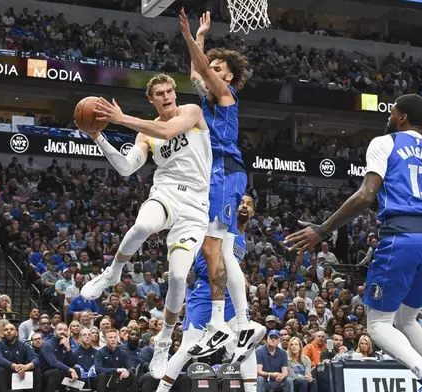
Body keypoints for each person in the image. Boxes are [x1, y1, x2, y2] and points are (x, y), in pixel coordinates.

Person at [285, 93, 422, 392]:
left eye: (392, 112)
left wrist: (323, 228)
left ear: (402, 117)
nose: (389, 117)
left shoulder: (385, 143)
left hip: (402, 236)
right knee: (408, 318)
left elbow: (366, 195)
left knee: (378, 324)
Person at [81, 73, 212, 378]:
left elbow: (168, 131)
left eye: (170, 91)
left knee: (179, 276)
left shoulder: (191, 112)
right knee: (143, 225)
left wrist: (121, 118)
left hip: (195, 207)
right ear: (151, 99)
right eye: (160, 94)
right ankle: (112, 272)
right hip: (166, 192)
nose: (167, 97)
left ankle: (164, 341)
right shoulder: (146, 135)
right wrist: (98, 136)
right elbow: (127, 167)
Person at [179, 10, 258, 358]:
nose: (213, 69)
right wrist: (199, 37)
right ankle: (242, 323)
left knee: (212, 248)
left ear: (228, 75)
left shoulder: (225, 94)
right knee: (223, 250)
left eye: (219, 67)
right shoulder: (207, 95)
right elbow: (196, 72)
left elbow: (202, 70)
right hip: (220, 172)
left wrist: (193, 40)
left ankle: (219, 324)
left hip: (226, 170)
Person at [156, 194, 265, 392]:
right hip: (204, 289)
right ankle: (161, 390)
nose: (244, 206)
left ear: (253, 212)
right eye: (241, 202)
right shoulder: (222, 223)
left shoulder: (242, 238)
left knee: (246, 341)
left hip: (228, 293)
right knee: (188, 348)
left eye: (249, 204)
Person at [0, 323, 41, 392]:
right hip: (7, 375)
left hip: (22, 375)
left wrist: (27, 367)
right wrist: (14, 366)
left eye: (11, 329)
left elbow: (36, 359)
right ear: (3, 333)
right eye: (6, 330)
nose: (8, 331)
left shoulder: (23, 345)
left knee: (37, 369)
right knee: (0, 369)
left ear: (16, 333)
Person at [39, 322, 78, 392]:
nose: (62, 332)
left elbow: (72, 363)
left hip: (60, 372)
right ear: (54, 331)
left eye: (65, 330)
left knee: (76, 369)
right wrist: (70, 370)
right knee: (56, 372)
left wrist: (68, 349)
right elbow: (53, 362)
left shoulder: (65, 344)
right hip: (45, 374)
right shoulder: (47, 344)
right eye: (60, 329)